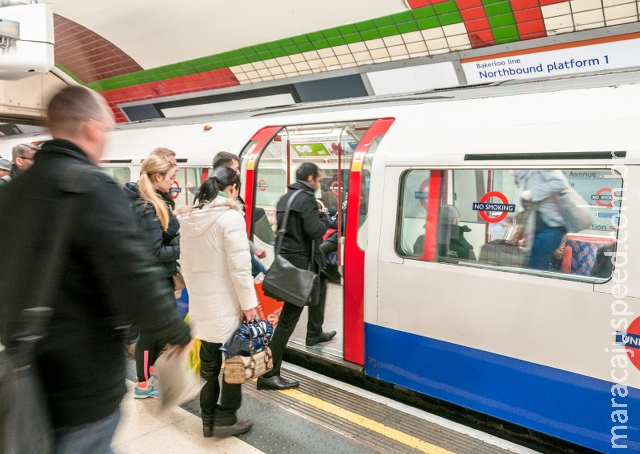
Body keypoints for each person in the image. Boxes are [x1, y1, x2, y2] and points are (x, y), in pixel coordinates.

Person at [0, 85, 190, 453]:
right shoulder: (94, 187)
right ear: (90, 128)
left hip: (25, 371)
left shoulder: (13, 192)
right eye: (106, 130)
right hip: (82, 379)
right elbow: (133, 274)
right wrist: (174, 330)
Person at [179, 167, 258, 438]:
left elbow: (185, 265)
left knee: (209, 366)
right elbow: (240, 269)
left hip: (201, 304)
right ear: (233, 188)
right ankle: (226, 418)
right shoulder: (230, 218)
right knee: (235, 361)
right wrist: (249, 305)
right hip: (225, 306)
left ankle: (206, 421)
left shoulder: (190, 219)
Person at [257, 163, 335, 391]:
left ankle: (314, 332)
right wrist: (323, 216)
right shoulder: (307, 199)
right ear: (311, 179)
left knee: (319, 286)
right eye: (318, 180)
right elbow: (316, 231)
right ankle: (268, 374)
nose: (319, 184)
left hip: (290, 263)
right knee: (286, 324)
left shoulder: (286, 197)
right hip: (300, 270)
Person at [123, 154, 180, 398]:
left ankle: (146, 371)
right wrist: (181, 248)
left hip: (152, 277)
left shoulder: (150, 201)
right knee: (149, 331)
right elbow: (154, 251)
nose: (173, 183)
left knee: (155, 329)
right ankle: (143, 383)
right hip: (151, 279)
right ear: (158, 177)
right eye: (171, 178)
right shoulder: (148, 208)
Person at [511, 170, 568, 270]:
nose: (511, 172)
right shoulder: (527, 223)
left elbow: (559, 254)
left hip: (550, 259)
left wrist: (532, 193)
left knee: (535, 270)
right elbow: (513, 242)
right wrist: (521, 242)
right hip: (525, 255)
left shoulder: (557, 228)